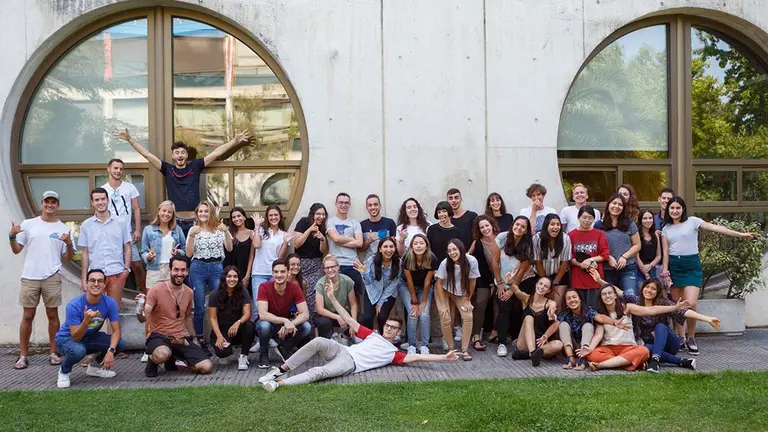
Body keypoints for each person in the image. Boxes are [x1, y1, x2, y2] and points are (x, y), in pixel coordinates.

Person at [258, 282, 459, 392]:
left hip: (350, 364)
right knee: (318, 341)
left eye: (393, 328)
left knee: (318, 372)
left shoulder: (394, 353)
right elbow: (348, 319)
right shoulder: (373, 335)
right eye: (388, 326)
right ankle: (280, 370)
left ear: (398, 333)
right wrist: (333, 298)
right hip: (342, 350)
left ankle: (277, 384)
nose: (389, 329)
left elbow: (419, 357)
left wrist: (444, 357)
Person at [661, 196, 760, 355]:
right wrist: (665, 272)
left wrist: (740, 235)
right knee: (678, 305)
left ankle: (691, 337)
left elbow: (716, 228)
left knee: (691, 303)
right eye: (672, 208)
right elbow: (665, 253)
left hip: (691, 266)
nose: (675, 211)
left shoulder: (692, 221)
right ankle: (681, 338)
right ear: (668, 210)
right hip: (674, 266)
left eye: (678, 208)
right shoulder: (666, 228)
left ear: (683, 209)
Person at [113, 128, 250, 235]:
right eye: (177, 153)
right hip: (175, 222)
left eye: (183, 152)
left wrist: (235, 141)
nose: (180, 155)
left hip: (195, 221)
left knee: (194, 254)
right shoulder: (167, 169)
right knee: (177, 255)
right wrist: (130, 139)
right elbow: (147, 155)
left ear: (186, 155)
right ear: (173, 156)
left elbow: (216, 153)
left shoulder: (195, 166)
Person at [9, 190, 74, 369]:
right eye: (47, 201)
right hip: (30, 276)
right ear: (42, 203)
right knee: (27, 315)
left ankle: (54, 353)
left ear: (57, 205)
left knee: (52, 315)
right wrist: (11, 236)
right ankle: (23, 355)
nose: (50, 205)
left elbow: (68, 257)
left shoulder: (63, 228)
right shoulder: (29, 224)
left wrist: (69, 244)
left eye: (53, 202)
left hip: (52, 277)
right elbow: (16, 249)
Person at [621, 277, 720, 372]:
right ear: (643, 288)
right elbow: (618, 292)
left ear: (658, 292)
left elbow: (684, 312)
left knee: (660, 327)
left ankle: (655, 360)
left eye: (653, 289)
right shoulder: (637, 301)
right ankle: (682, 361)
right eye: (647, 287)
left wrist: (708, 319)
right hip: (651, 345)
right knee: (645, 348)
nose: (649, 290)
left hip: (669, 344)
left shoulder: (664, 303)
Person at [587, 280, 690, 371]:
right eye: (604, 294)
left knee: (643, 351)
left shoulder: (627, 308)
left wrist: (674, 308)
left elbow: (651, 310)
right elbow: (598, 334)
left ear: (615, 295)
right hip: (608, 348)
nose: (607, 296)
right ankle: (630, 363)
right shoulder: (599, 315)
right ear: (601, 298)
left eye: (610, 293)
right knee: (592, 354)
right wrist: (589, 348)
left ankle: (602, 365)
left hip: (628, 348)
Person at [55, 269, 126, 388]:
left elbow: (116, 330)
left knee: (120, 344)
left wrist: (111, 351)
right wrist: (86, 321)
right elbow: (75, 337)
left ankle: (94, 368)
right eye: (92, 280)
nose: (96, 284)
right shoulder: (74, 305)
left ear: (104, 284)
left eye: (100, 281)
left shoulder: (110, 302)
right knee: (78, 350)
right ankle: (64, 371)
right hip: (66, 339)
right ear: (86, 283)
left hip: (89, 337)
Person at [144, 255, 213, 377]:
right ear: (170, 270)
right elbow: (144, 315)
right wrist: (140, 310)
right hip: (159, 336)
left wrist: (194, 338)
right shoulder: (156, 289)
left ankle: (174, 358)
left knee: (207, 366)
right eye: (176, 269)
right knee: (162, 354)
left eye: (183, 270)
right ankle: (153, 359)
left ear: (187, 271)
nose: (179, 273)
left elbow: (187, 317)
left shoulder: (189, 292)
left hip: (180, 338)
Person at [186, 201, 233, 347]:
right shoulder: (193, 229)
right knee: (199, 306)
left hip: (216, 267)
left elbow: (229, 248)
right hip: (198, 267)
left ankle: (219, 336)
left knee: (219, 303)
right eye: (200, 211)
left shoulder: (219, 228)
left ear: (211, 212)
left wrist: (226, 231)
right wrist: (192, 236)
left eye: (206, 211)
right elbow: (188, 253)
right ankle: (199, 339)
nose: (203, 214)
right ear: (197, 213)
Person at [79, 187, 131, 307]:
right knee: (95, 311)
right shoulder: (86, 225)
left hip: (116, 273)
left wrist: (126, 270)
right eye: (97, 200)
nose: (100, 202)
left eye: (103, 199)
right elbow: (85, 252)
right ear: (92, 202)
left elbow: (127, 246)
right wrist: (83, 278)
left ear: (108, 200)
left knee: (114, 310)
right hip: (95, 276)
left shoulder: (121, 222)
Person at [255, 259, 312, 369]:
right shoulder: (264, 286)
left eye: (282, 271)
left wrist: (291, 323)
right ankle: (263, 354)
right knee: (264, 326)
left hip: (284, 326)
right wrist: (285, 321)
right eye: (276, 272)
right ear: (272, 273)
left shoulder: (294, 287)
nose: (279, 275)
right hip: (268, 324)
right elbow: (263, 314)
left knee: (307, 326)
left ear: (288, 273)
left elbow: (305, 314)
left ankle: (284, 348)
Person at [101, 158, 146, 297]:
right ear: (109, 169)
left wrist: (137, 229)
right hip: (110, 235)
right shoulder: (103, 189)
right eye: (115, 168)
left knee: (136, 265)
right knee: (112, 268)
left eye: (121, 169)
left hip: (127, 234)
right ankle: (110, 298)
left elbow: (136, 209)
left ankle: (147, 294)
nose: (118, 171)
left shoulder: (129, 187)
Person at [495, 216, 537, 357]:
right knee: (504, 307)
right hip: (502, 280)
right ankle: (501, 342)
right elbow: (494, 261)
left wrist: (513, 290)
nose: (519, 228)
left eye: (523, 227)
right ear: (513, 224)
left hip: (522, 280)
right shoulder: (502, 238)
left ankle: (516, 338)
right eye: (517, 224)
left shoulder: (528, 245)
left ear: (526, 231)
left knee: (517, 308)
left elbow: (522, 270)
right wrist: (500, 284)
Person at [435, 239, 479, 361]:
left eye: (454, 249)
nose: (452, 253)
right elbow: (438, 283)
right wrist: (443, 304)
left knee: (468, 316)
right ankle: (451, 349)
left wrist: (468, 298)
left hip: (461, 292)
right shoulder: (445, 263)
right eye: (449, 250)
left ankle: (465, 349)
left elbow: (473, 280)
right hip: (444, 289)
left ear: (461, 249)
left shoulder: (471, 261)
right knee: (445, 316)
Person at [503, 276, 562, 366]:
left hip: (540, 343)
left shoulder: (550, 303)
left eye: (545, 286)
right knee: (528, 318)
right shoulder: (526, 299)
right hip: (524, 343)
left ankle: (531, 354)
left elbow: (553, 308)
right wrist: (510, 282)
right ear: (536, 284)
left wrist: (551, 315)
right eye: (540, 284)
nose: (542, 287)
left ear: (549, 290)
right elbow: (517, 291)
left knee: (558, 344)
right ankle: (533, 353)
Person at [208, 266, 256, 371]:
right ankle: (226, 352)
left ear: (239, 279)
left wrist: (238, 322)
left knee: (250, 326)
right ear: (224, 278)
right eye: (229, 276)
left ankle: (243, 356)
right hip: (222, 329)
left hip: (238, 328)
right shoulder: (214, 294)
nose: (232, 279)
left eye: (235, 276)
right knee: (223, 353)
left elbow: (247, 314)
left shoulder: (243, 291)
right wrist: (219, 336)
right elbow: (212, 318)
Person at [594, 194, 641, 296]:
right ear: (608, 205)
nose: (616, 206)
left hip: (628, 268)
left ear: (624, 208)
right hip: (607, 269)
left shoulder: (630, 224)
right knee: (610, 298)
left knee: (630, 297)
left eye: (620, 204)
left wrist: (624, 257)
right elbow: (596, 247)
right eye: (614, 203)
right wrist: (608, 257)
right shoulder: (598, 225)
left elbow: (637, 245)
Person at [467, 215, 502, 352]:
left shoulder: (502, 238)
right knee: (480, 303)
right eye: (482, 227)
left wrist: (498, 282)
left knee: (500, 303)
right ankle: (476, 336)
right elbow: (470, 259)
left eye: (487, 225)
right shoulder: (477, 243)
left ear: (492, 225)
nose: (485, 229)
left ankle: (495, 332)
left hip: (502, 278)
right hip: (484, 278)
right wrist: (490, 283)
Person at [399, 234, 437, 355]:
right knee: (413, 313)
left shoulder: (432, 258)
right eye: (415, 243)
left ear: (426, 245)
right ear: (411, 246)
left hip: (424, 287)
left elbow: (427, 282)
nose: (419, 246)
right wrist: (415, 302)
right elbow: (409, 281)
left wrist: (424, 301)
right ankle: (412, 345)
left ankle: (424, 345)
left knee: (424, 314)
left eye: (421, 243)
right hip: (406, 286)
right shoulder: (407, 258)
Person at [325, 193, 365, 308]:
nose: (344, 205)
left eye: (346, 203)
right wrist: (352, 239)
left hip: (353, 264)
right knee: (336, 298)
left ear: (349, 205)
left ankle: (356, 320)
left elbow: (360, 243)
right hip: (335, 265)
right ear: (336, 204)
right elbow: (335, 238)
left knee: (355, 297)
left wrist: (340, 241)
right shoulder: (330, 222)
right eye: (341, 202)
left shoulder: (355, 223)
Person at [250, 205, 293, 307]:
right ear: (267, 217)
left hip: (276, 274)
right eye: (271, 215)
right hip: (259, 273)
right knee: (258, 305)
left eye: (276, 215)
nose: (273, 217)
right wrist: (256, 227)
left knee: (274, 305)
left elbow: (280, 257)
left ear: (280, 216)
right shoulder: (261, 231)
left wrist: (285, 242)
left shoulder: (284, 234)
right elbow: (256, 245)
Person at [355, 237, 401, 333]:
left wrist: (380, 302)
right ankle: (369, 337)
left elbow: (393, 285)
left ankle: (383, 337)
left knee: (382, 317)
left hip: (388, 294)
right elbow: (368, 282)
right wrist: (364, 273)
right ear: (380, 249)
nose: (389, 250)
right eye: (385, 247)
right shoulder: (372, 260)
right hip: (372, 291)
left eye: (391, 247)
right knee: (367, 317)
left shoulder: (398, 263)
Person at [568, 206, 610, 310]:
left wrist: (590, 260)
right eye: (584, 217)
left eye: (590, 218)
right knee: (578, 310)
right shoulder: (571, 235)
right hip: (577, 280)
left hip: (595, 279)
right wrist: (582, 265)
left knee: (594, 311)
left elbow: (605, 254)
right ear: (578, 218)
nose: (587, 220)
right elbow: (570, 257)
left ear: (594, 219)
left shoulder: (599, 234)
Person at [141, 200, 185, 292]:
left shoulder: (177, 230)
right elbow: (143, 252)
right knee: (152, 297)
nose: (166, 214)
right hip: (154, 269)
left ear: (173, 215)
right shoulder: (148, 229)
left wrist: (178, 252)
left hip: (172, 269)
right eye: (164, 211)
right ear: (159, 211)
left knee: (172, 298)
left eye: (169, 212)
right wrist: (148, 256)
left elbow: (185, 250)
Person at [292, 203, 329, 313]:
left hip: (316, 265)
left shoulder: (323, 227)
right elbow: (296, 244)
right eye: (318, 214)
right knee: (302, 293)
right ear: (312, 214)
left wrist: (322, 239)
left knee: (315, 293)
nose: (321, 217)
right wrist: (309, 230)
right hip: (302, 265)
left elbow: (323, 251)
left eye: (323, 214)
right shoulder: (303, 222)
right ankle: (303, 317)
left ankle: (313, 320)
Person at [532, 213, 571, 312]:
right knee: (542, 305)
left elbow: (565, 262)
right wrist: (546, 283)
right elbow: (537, 262)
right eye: (552, 224)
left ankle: (556, 321)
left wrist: (555, 283)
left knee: (557, 305)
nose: (556, 227)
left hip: (560, 275)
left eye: (558, 224)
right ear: (546, 225)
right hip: (541, 274)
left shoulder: (565, 238)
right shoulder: (537, 238)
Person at [314, 255, 358, 340]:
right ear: (324, 270)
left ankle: (344, 337)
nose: (330, 270)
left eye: (333, 267)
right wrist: (338, 317)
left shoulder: (347, 281)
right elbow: (320, 309)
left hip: (341, 311)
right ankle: (326, 344)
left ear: (338, 267)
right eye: (327, 268)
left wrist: (354, 323)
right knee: (324, 323)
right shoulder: (320, 284)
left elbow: (353, 304)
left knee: (362, 318)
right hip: (325, 314)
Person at [557, 288, 601, 371]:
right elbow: (554, 325)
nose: (572, 300)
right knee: (563, 324)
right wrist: (546, 335)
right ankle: (570, 358)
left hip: (585, 345)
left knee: (588, 325)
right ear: (566, 303)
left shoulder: (588, 311)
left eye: (574, 297)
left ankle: (582, 358)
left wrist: (614, 322)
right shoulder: (564, 314)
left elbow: (601, 318)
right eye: (568, 298)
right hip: (571, 346)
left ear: (580, 299)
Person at [223, 207, 255, 290]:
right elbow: (228, 249)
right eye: (234, 217)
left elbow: (251, 256)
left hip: (245, 271)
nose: (236, 219)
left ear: (244, 217)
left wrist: (247, 276)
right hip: (230, 273)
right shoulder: (228, 233)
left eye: (239, 216)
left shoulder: (251, 233)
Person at [359, 194, 397, 262]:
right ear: (367, 208)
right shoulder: (362, 225)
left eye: (375, 204)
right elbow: (360, 249)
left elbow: (394, 246)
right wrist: (369, 241)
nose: (373, 207)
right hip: (369, 264)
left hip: (387, 263)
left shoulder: (389, 222)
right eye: (370, 205)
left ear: (380, 206)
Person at [636, 209, 662, 282]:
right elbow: (636, 257)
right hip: (638, 269)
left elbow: (658, 256)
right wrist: (645, 272)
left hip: (652, 268)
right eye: (645, 218)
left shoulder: (655, 235)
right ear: (640, 220)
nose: (648, 221)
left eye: (650, 218)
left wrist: (650, 266)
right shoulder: (636, 235)